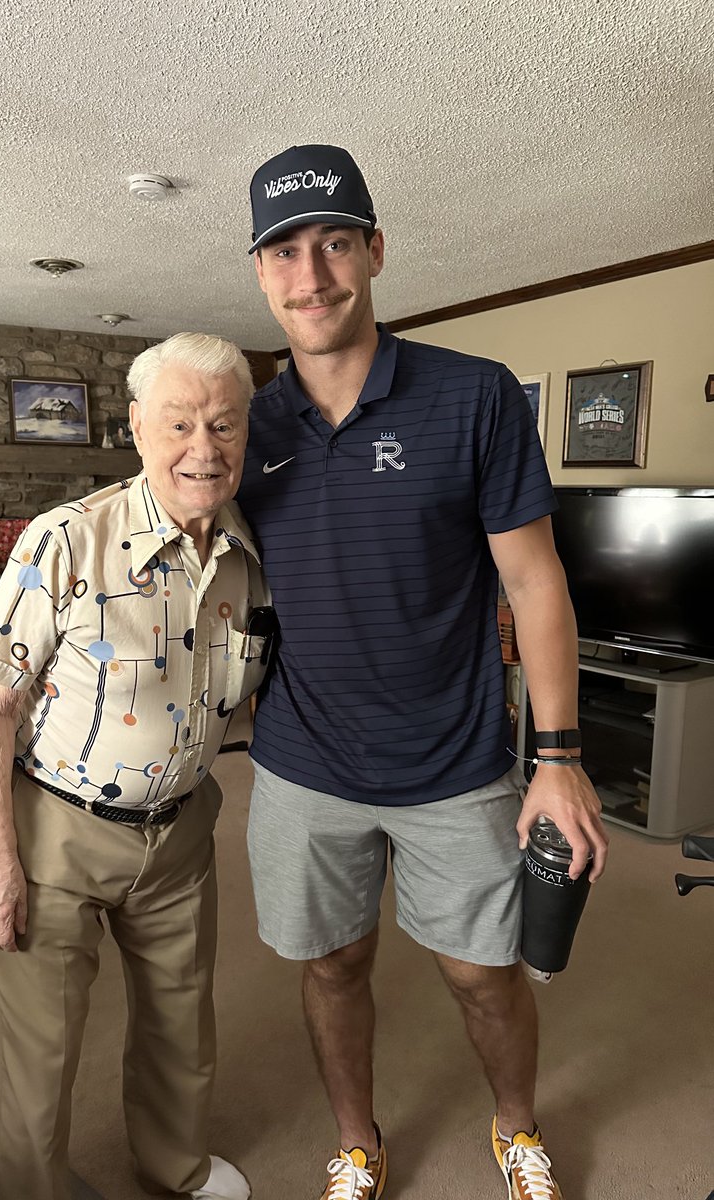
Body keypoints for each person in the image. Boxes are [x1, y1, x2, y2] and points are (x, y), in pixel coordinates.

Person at [236, 144, 609, 1200]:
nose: (311, 276)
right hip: (305, 762)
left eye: (335, 243)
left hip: (457, 760)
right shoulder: (247, 428)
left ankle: (516, 1124)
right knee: (331, 966)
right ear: (259, 271)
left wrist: (560, 757)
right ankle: (357, 1140)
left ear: (375, 251)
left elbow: (536, 585)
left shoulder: (475, 397)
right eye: (285, 252)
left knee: (483, 976)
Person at [0, 333, 271, 1200]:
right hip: (53, 835)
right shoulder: (64, 541)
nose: (202, 449)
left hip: (181, 832)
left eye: (222, 425)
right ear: (137, 429)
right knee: (41, 1053)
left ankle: (174, 1168)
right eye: (178, 424)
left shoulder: (253, 554)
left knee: (182, 1024)